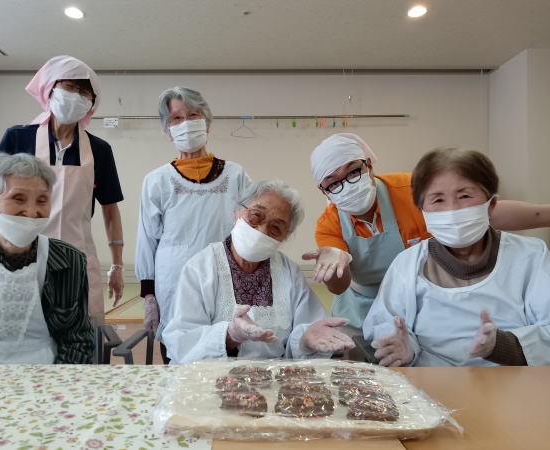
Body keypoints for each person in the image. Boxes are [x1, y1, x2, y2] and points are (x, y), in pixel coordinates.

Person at [305, 133, 550, 330]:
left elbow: (478, 213)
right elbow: (339, 286)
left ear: (368, 165)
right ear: (323, 190)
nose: (347, 184)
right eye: (333, 182)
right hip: (361, 307)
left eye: (353, 172)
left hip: (420, 297)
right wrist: (332, 264)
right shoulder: (329, 224)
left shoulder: (407, 189)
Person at [363, 147, 550, 366]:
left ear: (491, 205)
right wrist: (406, 348)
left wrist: (501, 345)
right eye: (438, 200)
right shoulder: (407, 265)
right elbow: (385, 325)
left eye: (464, 196)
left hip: (511, 380)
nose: (452, 209)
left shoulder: (531, 256)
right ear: (422, 210)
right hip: (430, 382)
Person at [0, 55, 125, 327]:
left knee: (81, 330)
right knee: (21, 329)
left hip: (78, 259)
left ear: (91, 103)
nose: (76, 96)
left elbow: (110, 209)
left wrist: (117, 265)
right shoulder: (18, 138)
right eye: (70, 87)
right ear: (51, 88)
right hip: (20, 257)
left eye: (85, 92)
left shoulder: (99, 150)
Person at [162, 180, 355, 365]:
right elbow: (182, 342)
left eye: (276, 227)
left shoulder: (289, 273)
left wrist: (305, 340)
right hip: (211, 379)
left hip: (273, 381)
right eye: (256, 216)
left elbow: (306, 330)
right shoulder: (200, 268)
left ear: (284, 237)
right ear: (236, 214)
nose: (262, 231)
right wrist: (230, 335)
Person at [135, 86, 252, 363]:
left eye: (193, 114)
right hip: (173, 283)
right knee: (179, 355)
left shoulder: (236, 175)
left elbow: (251, 231)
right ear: (168, 130)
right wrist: (149, 296)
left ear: (207, 122)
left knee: (226, 353)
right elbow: (146, 239)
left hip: (225, 280)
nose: (186, 123)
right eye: (176, 118)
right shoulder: (156, 181)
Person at [0, 153, 94, 364]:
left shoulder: (68, 260)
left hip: (49, 374)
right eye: (18, 198)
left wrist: (55, 382)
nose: (31, 212)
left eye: (42, 200)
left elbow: (77, 341)